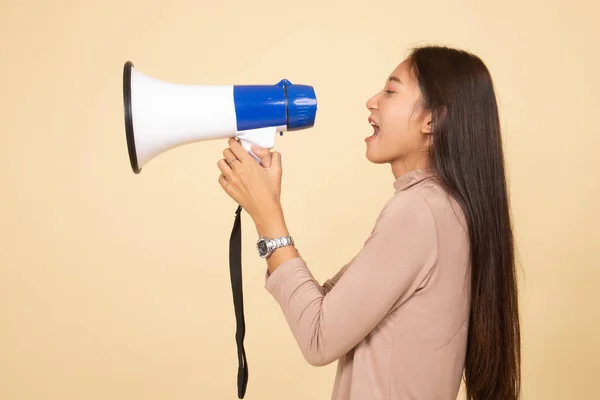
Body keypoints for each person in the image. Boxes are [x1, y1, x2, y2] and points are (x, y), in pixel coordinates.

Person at [216, 45, 521, 400]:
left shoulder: (420, 211)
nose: (372, 101)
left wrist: (267, 215)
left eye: (391, 91)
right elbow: (328, 307)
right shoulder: (445, 209)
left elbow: (319, 336)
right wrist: (264, 203)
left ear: (432, 120)